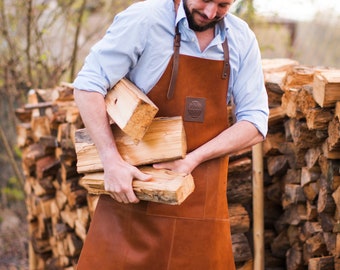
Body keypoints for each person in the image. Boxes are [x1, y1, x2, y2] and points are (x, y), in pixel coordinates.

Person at [73, 0, 268, 269]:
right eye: (205, 0)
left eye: (223, 4)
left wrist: (193, 159)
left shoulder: (242, 38)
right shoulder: (145, 20)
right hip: (133, 208)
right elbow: (88, 86)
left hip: (203, 214)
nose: (211, 13)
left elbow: (256, 122)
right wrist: (110, 160)